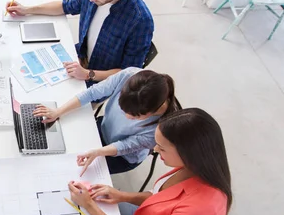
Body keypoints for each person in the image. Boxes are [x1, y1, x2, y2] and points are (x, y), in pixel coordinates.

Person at [68, 108, 232, 215]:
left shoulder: (203, 207)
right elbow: (158, 198)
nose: (154, 149)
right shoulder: (192, 167)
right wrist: (122, 195)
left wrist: (89, 206)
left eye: (161, 148)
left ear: (188, 153)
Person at [6, 0, 154, 86]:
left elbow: (128, 73)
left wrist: (88, 74)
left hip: (100, 81)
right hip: (79, 59)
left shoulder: (140, 21)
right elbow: (65, 6)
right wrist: (27, 10)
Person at [33, 67, 179, 174]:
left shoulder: (160, 128)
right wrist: (58, 112)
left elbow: (125, 146)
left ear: (152, 111)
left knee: (72, 172)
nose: (126, 117)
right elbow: (93, 92)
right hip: (103, 127)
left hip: (122, 156)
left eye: (134, 116)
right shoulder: (129, 76)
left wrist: (97, 152)